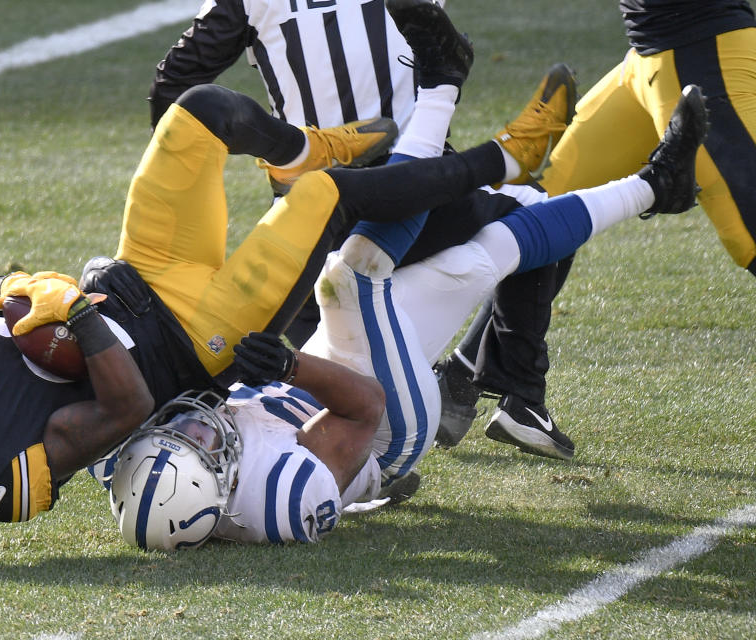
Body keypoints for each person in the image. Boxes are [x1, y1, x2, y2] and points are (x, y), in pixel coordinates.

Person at [0, 31, 568, 522]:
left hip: (140, 269)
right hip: (198, 337)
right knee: (329, 200)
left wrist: (11, 289)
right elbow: (126, 409)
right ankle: (508, 158)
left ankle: (305, 145)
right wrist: (73, 314)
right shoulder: (6, 471)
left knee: (198, 114)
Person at [100, 84, 711, 550]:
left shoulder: (141, 474)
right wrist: (288, 364)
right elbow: (362, 405)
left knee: (481, 256)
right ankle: (442, 92)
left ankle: (657, 187)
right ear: (219, 490)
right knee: (350, 276)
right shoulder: (273, 499)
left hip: (320, 384)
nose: (192, 428)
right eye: (201, 445)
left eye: (179, 434)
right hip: (388, 426)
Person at [150, 0, 581, 457]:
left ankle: (432, 403)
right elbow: (441, 61)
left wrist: (278, 144)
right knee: (551, 213)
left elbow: (173, 88)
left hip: (304, 236)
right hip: (412, 195)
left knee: (328, 383)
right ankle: (510, 391)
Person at [438, 0, 756, 461]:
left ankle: (468, 380)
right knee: (544, 215)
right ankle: (480, 383)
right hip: (646, 59)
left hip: (704, 53)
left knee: (749, 238)